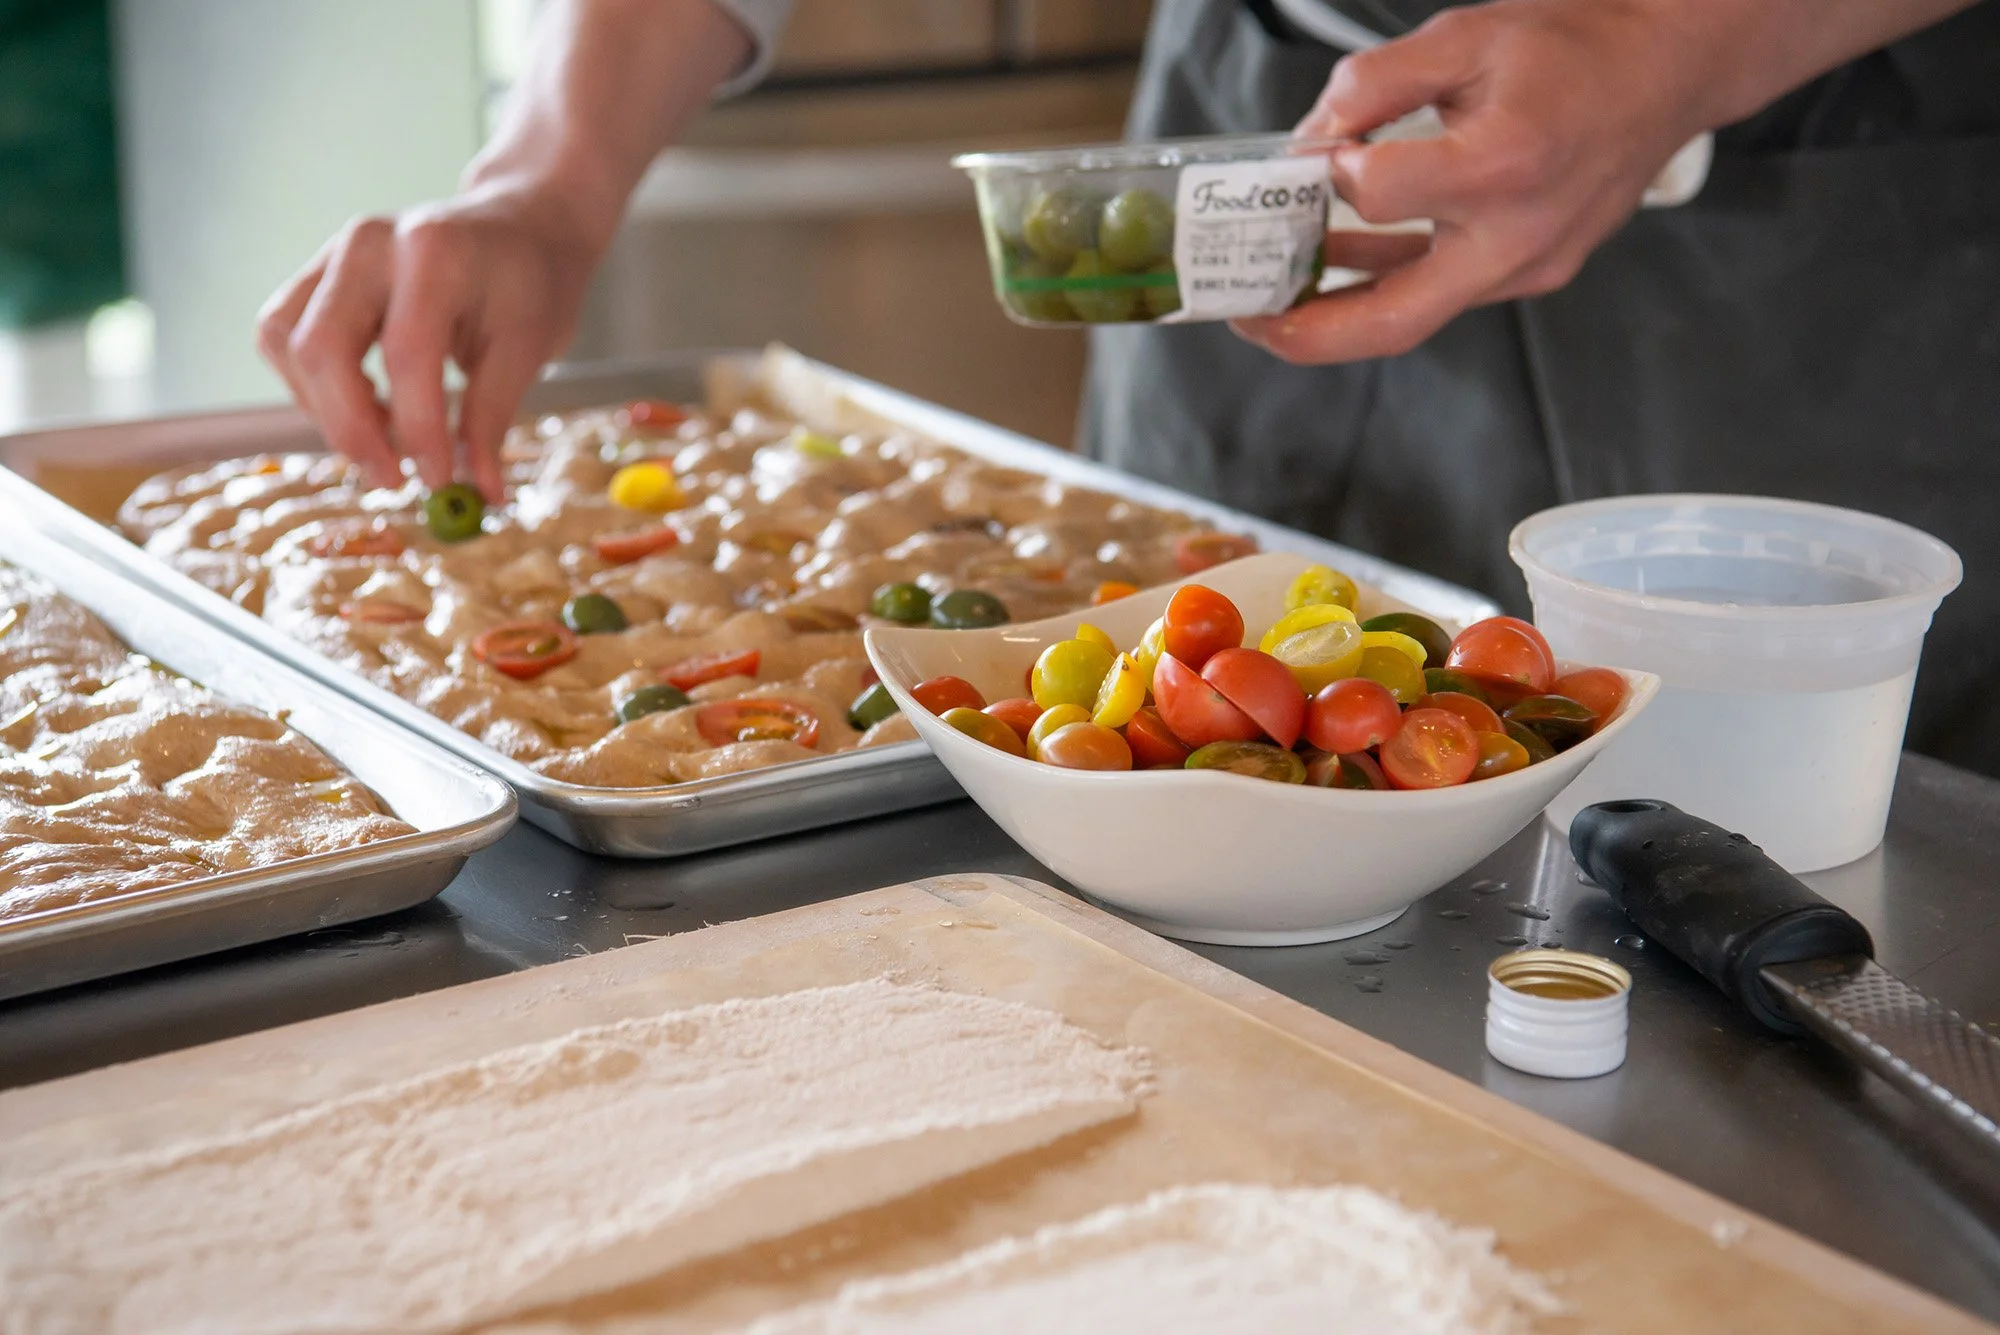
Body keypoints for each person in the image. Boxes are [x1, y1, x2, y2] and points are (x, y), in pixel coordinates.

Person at [258, 0, 2000, 775]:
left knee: (1802, 891)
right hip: (1276, 138)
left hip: (1828, 195)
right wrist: (548, 175)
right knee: (1177, 769)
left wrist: (1672, 37)